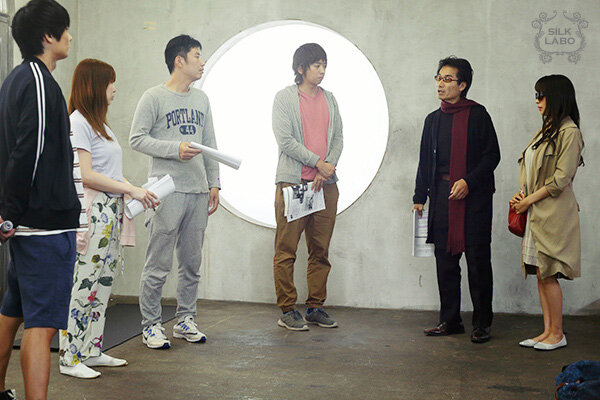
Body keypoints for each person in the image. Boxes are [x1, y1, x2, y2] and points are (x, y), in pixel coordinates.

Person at [58, 59, 159, 378]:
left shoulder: (99, 124)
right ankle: (69, 357)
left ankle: (91, 349)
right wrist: (130, 188)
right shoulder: (78, 122)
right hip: (94, 212)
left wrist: (134, 190)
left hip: (112, 211)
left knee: (102, 283)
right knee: (83, 283)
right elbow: (86, 175)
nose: (114, 88)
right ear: (95, 86)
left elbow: (110, 173)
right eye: (110, 82)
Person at [0, 1, 79, 399]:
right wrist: (9, 214)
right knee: (42, 326)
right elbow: (28, 152)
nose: (70, 36)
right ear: (49, 37)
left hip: (28, 225)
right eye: (65, 29)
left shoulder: (17, 79)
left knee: (11, 315)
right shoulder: (38, 82)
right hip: (43, 227)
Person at [130, 34, 220, 349]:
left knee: (191, 263)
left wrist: (214, 183)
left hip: (198, 191)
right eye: (197, 56)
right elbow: (136, 138)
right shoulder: (153, 97)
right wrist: (174, 149)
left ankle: (185, 319)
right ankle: (151, 325)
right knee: (158, 263)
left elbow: (209, 144)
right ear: (179, 61)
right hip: (165, 192)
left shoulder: (202, 99)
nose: (202, 62)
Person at [412, 56, 500, 343]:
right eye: (438, 78)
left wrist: (468, 182)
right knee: (445, 263)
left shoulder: (478, 115)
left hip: (473, 201)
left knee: (478, 263)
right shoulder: (433, 120)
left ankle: (482, 323)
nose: (440, 83)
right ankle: (449, 320)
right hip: (442, 198)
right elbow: (425, 162)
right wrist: (419, 196)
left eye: (447, 79)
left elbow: (492, 156)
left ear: (462, 85)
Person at [272, 43, 343, 331]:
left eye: (324, 65)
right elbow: (286, 140)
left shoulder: (330, 98)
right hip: (295, 182)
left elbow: (338, 138)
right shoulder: (285, 98)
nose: (322, 70)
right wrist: (317, 163)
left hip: (325, 185)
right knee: (286, 248)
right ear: (300, 68)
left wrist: (327, 169)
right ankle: (288, 309)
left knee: (320, 249)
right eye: (316, 65)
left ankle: (315, 307)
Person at [510, 75, 583, 351]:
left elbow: (561, 179)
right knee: (541, 273)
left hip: (552, 215)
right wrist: (522, 195)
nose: (537, 101)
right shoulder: (547, 129)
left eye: (541, 96)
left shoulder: (569, 132)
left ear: (557, 97)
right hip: (536, 212)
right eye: (536, 95)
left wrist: (528, 200)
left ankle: (558, 334)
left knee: (549, 272)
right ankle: (547, 331)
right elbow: (533, 171)